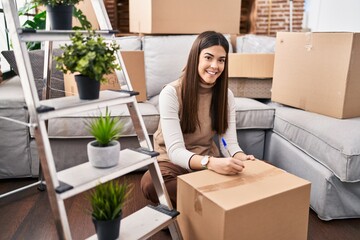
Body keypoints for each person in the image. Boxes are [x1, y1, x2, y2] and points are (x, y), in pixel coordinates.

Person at [141, 31, 255, 208]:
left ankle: (192, 208)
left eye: (221, 60)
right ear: (196, 58)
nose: (215, 66)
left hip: (208, 161)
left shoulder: (226, 96)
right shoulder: (171, 93)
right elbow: (176, 151)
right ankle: (213, 204)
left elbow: (227, 142)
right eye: (208, 57)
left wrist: (241, 158)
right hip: (173, 163)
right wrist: (210, 163)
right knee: (151, 183)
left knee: (257, 172)